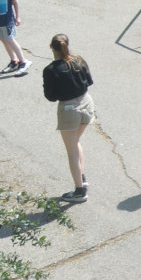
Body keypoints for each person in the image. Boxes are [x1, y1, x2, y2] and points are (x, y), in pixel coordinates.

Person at [41, 34, 95, 203]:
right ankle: (82, 176)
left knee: (71, 152)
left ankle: (80, 191)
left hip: (69, 109)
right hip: (87, 102)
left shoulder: (50, 70)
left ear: (51, 47)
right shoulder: (79, 61)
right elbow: (89, 81)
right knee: (76, 141)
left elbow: (50, 96)